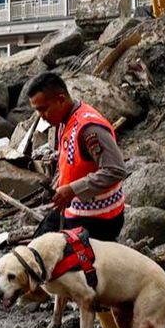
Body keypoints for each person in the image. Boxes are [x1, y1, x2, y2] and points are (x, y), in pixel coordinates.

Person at [27, 72, 129, 241]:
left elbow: (116, 170)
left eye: (44, 109)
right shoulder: (64, 121)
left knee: (52, 260)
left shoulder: (89, 129)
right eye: (37, 111)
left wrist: (73, 190)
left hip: (98, 220)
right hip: (74, 209)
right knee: (36, 247)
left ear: (61, 99)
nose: (41, 116)